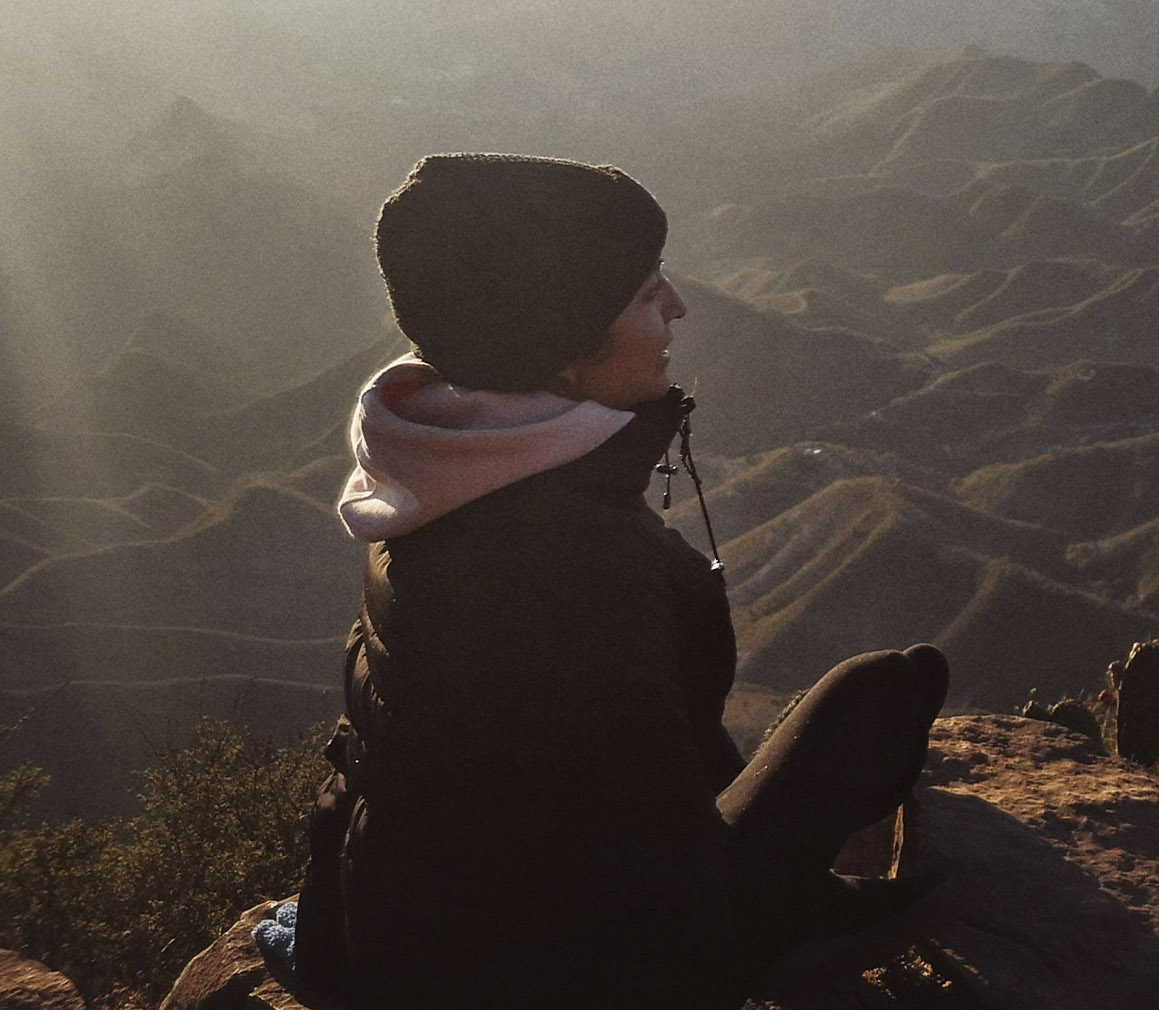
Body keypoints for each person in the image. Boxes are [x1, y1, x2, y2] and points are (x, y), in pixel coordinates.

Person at [270, 153, 948, 1009]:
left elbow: (388, 765)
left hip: (397, 936)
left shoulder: (426, 485)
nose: (677, 306)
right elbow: (660, 873)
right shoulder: (571, 571)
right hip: (557, 973)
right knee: (882, 695)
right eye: (642, 294)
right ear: (564, 349)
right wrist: (767, 930)